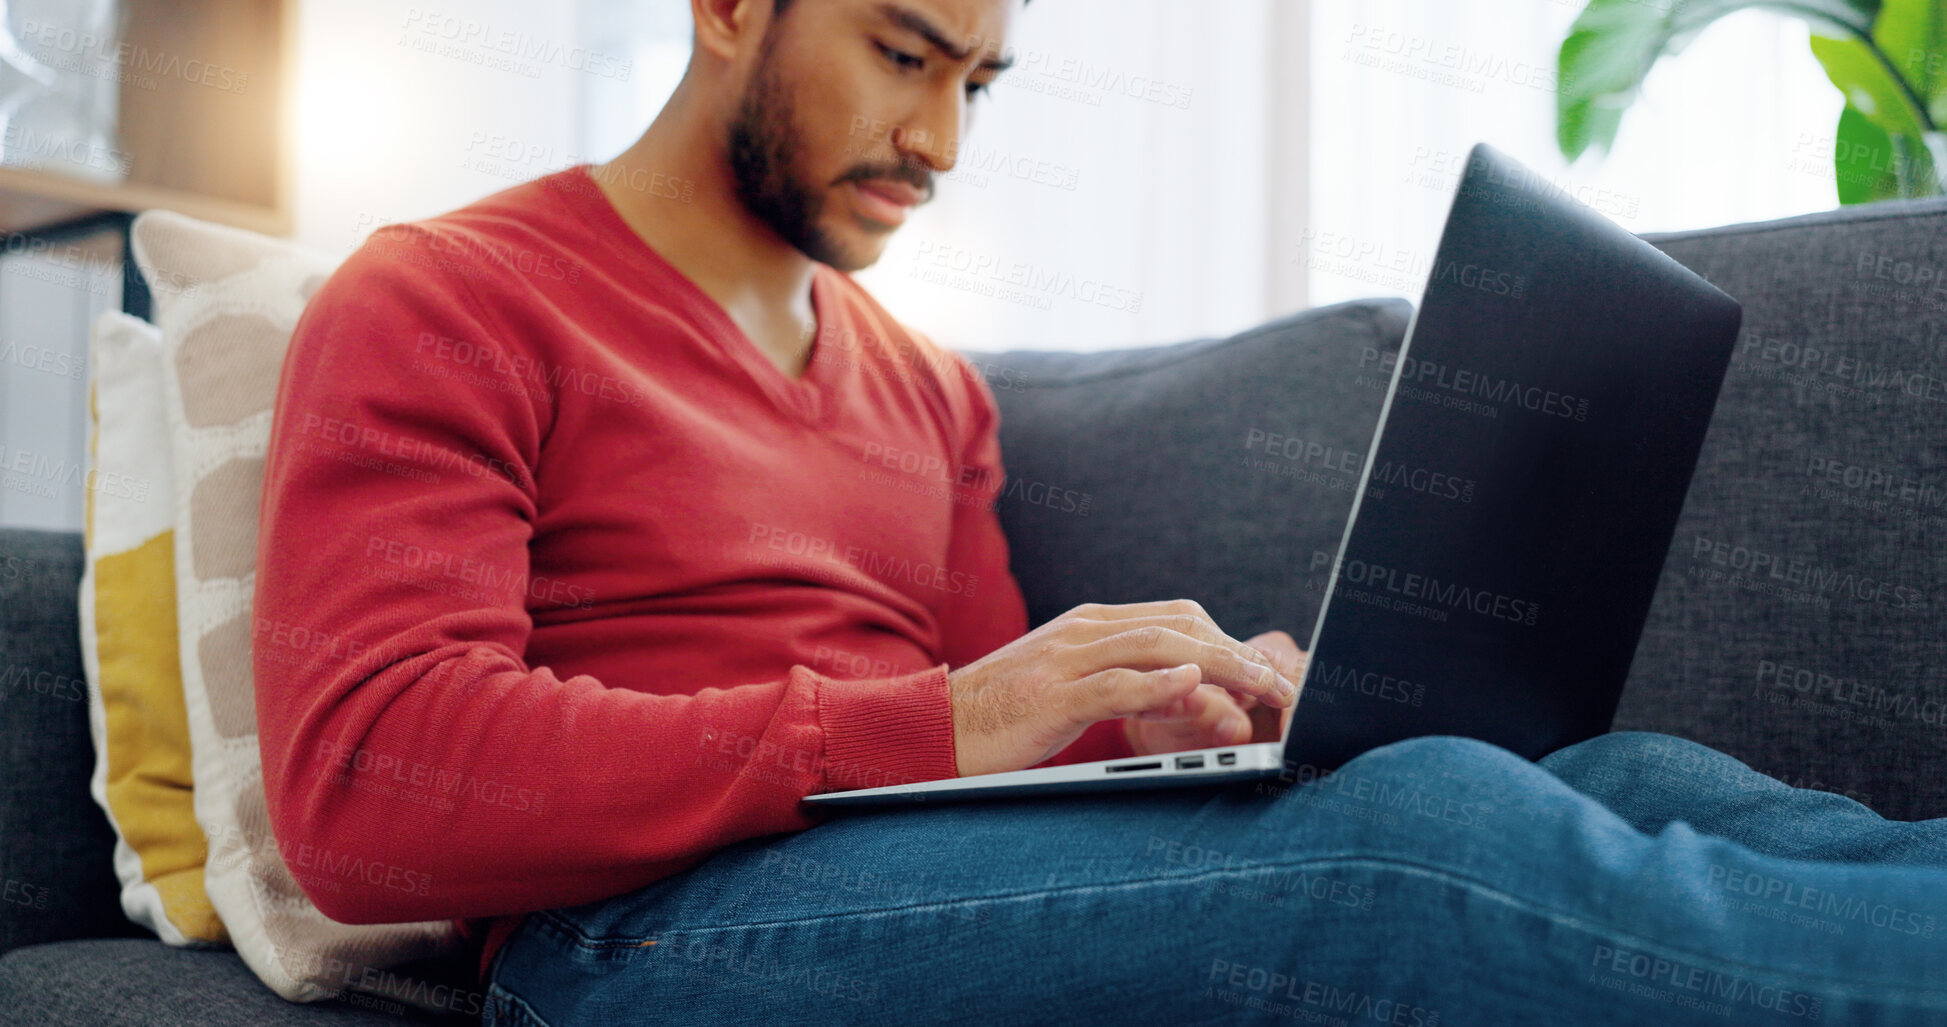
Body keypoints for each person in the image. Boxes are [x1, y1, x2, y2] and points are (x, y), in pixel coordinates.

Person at [251, 0, 1947, 1023]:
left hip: (883, 878)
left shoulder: (928, 386)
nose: (939, 137)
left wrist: (1174, 709)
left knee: (1609, 779)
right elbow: (362, 785)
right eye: (903, 52)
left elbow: (986, 746)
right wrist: (938, 718)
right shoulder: (448, 297)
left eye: (979, 82)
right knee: (1417, 849)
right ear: (725, 7)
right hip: (620, 938)